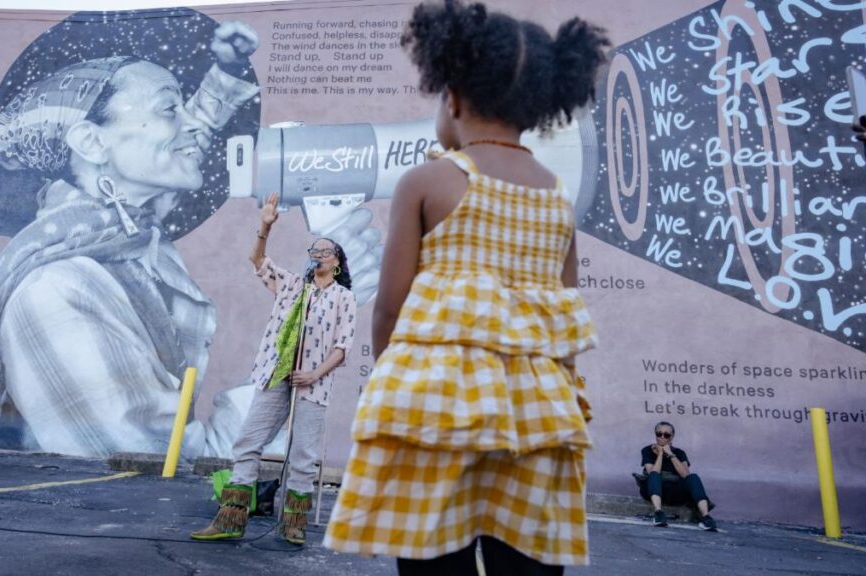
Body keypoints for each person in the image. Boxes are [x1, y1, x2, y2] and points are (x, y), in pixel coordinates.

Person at [324, 1, 608, 574]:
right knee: (526, 560)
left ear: (450, 97)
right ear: (537, 106)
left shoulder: (428, 181)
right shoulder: (556, 196)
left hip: (437, 406)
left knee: (433, 558)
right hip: (534, 414)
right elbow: (564, 317)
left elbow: (391, 307)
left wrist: (388, 373)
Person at [0, 22, 261, 457]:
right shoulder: (57, 292)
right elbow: (159, 462)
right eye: (168, 109)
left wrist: (226, 68)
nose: (191, 126)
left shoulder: (123, 233)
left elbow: (191, 133)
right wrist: (298, 362)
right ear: (90, 140)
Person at [191, 191, 357, 546]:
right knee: (248, 442)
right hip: (275, 372)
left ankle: (293, 525)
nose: (318, 253)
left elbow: (342, 348)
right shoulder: (294, 285)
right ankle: (231, 518)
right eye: (315, 250)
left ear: (338, 261)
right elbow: (258, 260)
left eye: (326, 250)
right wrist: (265, 224)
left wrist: (314, 373)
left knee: (303, 456)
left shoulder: (344, 298)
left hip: (313, 382)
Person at [638, 421, 718, 531]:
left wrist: (670, 454)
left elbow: (686, 475)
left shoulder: (679, 453)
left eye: (666, 435)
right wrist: (661, 454)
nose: (662, 437)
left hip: (675, 492)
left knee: (693, 477)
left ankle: (706, 517)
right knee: (654, 476)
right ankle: (659, 514)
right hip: (653, 489)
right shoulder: (647, 450)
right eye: (659, 434)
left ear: (671, 437)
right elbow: (652, 472)